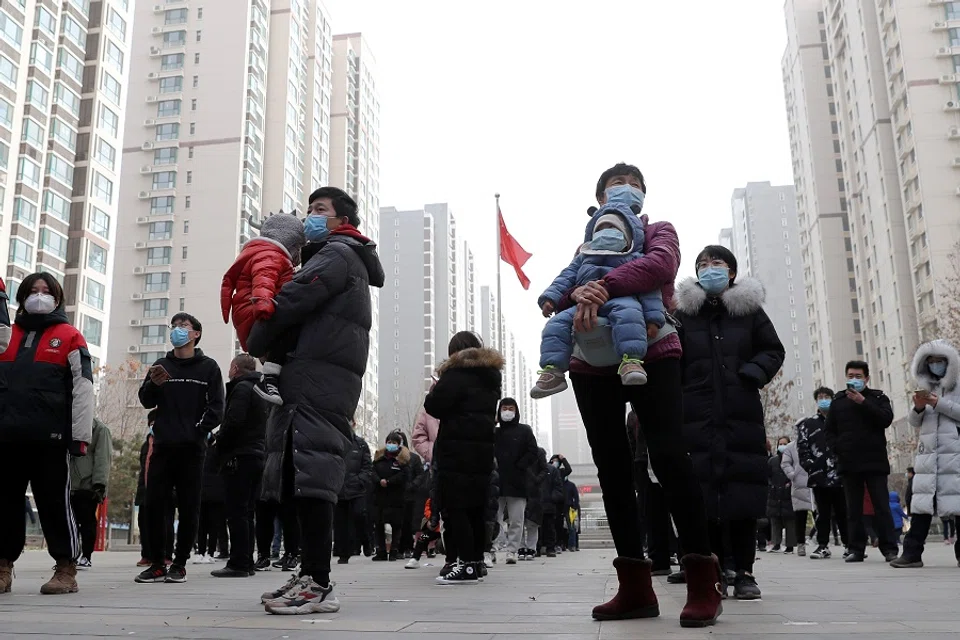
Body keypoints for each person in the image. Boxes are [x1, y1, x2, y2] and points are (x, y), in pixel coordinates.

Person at [553, 164, 722, 627]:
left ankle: (703, 580)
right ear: (599, 198)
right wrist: (574, 300)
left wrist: (603, 285)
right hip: (591, 361)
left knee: (670, 456)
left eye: (635, 186)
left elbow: (660, 267)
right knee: (611, 465)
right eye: (616, 186)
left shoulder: (658, 231)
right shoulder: (585, 244)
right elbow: (567, 288)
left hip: (654, 350)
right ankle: (634, 587)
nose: (627, 191)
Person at [248, 186, 384, 614]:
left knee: (313, 477)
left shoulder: (337, 254)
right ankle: (310, 573)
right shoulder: (335, 255)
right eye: (308, 209)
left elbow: (288, 301)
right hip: (313, 374)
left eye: (319, 210)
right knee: (301, 473)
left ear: (343, 220)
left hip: (319, 378)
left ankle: (319, 583)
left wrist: (257, 331)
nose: (309, 216)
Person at [674, 245, 785, 600]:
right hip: (697, 416)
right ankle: (714, 569)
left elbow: (773, 350)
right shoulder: (683, 315)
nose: (710, 269)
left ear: (732, 272)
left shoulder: (750, 312)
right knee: (703, 493)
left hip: (741, 414)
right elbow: (670, 357)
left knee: (743, 491)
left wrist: (749, 375)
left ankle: (746, 571)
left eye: (717, 263)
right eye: (703, 265)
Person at [0, 272, 94, 595]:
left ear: (57, 299)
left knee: (55, 504)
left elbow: (84, 389)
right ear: (21, 297)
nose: (39, 295)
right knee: (5, 504)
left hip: (50, 440)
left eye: (46, 291)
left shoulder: (70, 336)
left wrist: (80, 436)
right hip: (7, 438)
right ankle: (2, 567)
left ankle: (66, 568)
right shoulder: (4, 335)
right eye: (32, 290)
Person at [534, 192, 665, 397]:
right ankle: (554, 371)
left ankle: (631, 361)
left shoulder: (635, 257)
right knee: (555, 324)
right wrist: (550, 298)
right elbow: (565, 277)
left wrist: (654, 318)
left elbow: (649, 289)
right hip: (582, 303)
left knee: (630, 314)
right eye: (601, 229)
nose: (606, 232)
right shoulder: (583, 258)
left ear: (627, 235)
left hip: (621, 299)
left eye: (612, 228)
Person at [135, 312, 225, 584]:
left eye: (183, 326)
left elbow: (218, 407)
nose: (177, 330)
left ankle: (180, 564)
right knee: (154, 505)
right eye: (174, 326)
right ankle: (157, 561)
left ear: (196, 333)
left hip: (193, 448)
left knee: (188, 507)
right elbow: (146, 400)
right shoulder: (161, 364)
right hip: (162, 445)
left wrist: (199, 431)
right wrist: (154, 383)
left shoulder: (208, 367)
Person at [423, 332, 503, 585]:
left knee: (455, 507)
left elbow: (434, 406)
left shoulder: (455, 375)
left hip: (456, 450)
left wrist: (435, 388)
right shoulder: (491, 376)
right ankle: (476, 562)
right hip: (482, 451)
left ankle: (466, 564)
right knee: (476, 509)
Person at [220, 212, 306, 405]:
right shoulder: (270, 255)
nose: (298, 254)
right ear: (289, 240)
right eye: (298, 247)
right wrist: (264, 308)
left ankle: (272, 379)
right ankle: (269, 380)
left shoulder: (268, 253)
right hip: (257, 314)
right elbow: (263, 282)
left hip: (252, 315)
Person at [891, 340, 960, 569]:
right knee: (921, 506)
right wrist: (919, 406)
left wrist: (938, 403)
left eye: (940, 361)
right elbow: (914, 422)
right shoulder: (926, 387)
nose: (935, 366)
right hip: (928, 456)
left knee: (958, 504)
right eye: (930, 362)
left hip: (955, 455)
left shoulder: (957, 386)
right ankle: (912, 553)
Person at [825, 360, 898, 563]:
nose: (853, 380)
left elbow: (886, 419)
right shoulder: (838, 401)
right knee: (853, 508)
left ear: (866, 378)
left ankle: (889, 548)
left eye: (858, 376)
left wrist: (863, 402)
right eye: (850, 376)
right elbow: (829, 430)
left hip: (874, 461)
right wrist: (838, 448)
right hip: (849, 462)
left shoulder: (878, 397)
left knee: (881, 506)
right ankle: (856, 548)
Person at [211, 354, 269, 578]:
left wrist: (219, 441)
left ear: (235, 368)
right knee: (247, 512)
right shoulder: (259, 388)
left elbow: (234, 421)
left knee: (236, 511)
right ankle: (247, 561)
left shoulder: (242, 389)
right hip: (255, 454)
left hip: (240, 456)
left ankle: (238, 562)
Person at [797, 387, 848, 559]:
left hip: (841, 475)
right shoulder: (807, 424)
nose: (823, 399)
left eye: (827, 397)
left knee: (843, 512)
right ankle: (823, 545)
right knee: (822, 513)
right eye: (820, 397)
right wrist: (811, 467)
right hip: (819, 476)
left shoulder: (842, 421)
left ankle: (850, 545)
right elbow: (802, 449)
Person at [493, 397, 539, 564]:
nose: (507, 411)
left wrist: (520, 465)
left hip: (517, 482)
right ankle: (493, 547)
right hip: (496, 482)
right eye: (504, 408)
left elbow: (533, 452)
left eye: (510, 408)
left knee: (516, 519)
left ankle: (512, 550)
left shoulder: (524, 431)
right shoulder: (494, 432)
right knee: (493, 518)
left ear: (516, 410)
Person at [70, 418, 112, 569]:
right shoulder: (68, 425)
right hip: (69, 484)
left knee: (87, 522)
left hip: (87, 485)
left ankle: (86, 555)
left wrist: (99, 484)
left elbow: (103, 459)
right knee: (70, 523)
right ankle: (71, 554)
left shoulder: (100, 430)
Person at [136, 412, 175, 568]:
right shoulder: (146, 444)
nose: (153, 426)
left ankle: (166, 554)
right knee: (144, 522)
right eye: (151, 424)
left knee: (166, 522)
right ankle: (147, 554)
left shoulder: (170, 441)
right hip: (145, 488)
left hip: (166, 489)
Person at [335, 422, 373, 564]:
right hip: (339, 489)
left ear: (353, 423)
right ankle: (344, 553)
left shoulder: (361, 444)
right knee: (341, 523)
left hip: (357, 489)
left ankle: (367, 542)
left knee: (359, 515)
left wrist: (360, 480)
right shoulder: (335, 441)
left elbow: (367, 466)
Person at [371, 433, 411, 562]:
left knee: (396, 525)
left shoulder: (403, 460)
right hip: (380, 497)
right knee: (379, 524)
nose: (391, 444)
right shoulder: (379, 458)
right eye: (389, 441)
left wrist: (389, 481)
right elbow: (372, 472)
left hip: (396, 497)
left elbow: (404, 476)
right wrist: (379, 481)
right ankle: (381, 551)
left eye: (394, 442)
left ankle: (394, 550)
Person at [393, 431, 424, 559]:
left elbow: (420, 475)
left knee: (407, 522)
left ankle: (407, 547)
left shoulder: (413, 458)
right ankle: (396, 548)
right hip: (394, 495)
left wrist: (412, 485)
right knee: (396, 522)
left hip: (409, 495)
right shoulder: (389, 458)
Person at [780, 437, 813, 557]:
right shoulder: (791, 446)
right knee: (800, 516)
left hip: (816, 481)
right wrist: (792, 474)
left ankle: (822, 543)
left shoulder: (815, 441)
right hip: (799, 484)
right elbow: (785, 463)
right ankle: (800, 544)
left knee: (821, 514)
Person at [195, 442, 227, 564]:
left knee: (214, 524)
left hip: (216, 492)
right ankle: (201, 551)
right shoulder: (203, 446)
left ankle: (210, 552)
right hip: (203, 490)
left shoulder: (217, 448)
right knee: (202, 524)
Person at [768, 437, 796, 554]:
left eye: (785, 444)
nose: (782, 446)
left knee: (789, 520)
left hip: (788, 493)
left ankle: (790, 545)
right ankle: (776, 543)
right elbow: (768, 475)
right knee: (775, 520)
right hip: (775, 494)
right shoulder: (772, 461)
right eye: (780, 444)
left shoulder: (793, 460)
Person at [520, 450, 548, 561]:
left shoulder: (538, 452)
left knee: (533, 522)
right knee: (518, 521)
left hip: (534, 492)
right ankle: (520, 548)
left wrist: (537, 480)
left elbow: (544, 469)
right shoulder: (517, 451)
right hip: (518, 489)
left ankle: (531, 548)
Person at [539, 448, 564, 557]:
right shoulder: (532, 469)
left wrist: (552, 498)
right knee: (537, 528)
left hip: (549, 504)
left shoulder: (552, 470)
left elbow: (558, 487)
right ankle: (537, 547)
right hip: (537, 504)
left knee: (549, 527)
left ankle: (550, 547)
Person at [565, 477, 581, 552]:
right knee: (565, 529)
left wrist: (574, 507)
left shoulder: (571, 485)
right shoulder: (560, 484)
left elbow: (576, 498)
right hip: (562, 509)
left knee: (572, 528)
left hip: (570, 509)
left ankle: (573, 545)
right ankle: (566, 545)